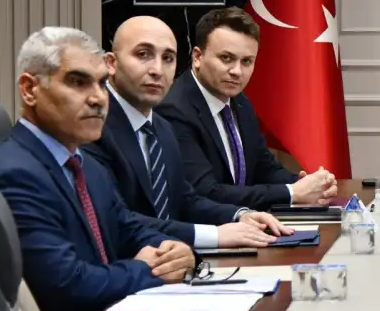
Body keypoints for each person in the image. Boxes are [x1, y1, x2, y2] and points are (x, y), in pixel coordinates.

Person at [0, 27, 194, 311]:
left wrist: (173, 251)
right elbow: (67, 287)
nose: (97, 98)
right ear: (30, 89)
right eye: (77, 82)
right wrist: (147, 270)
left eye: (102, 83)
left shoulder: (83, 162)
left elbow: (127, 227)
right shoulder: (15, 174)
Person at [85, 16, 290, 250]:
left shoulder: (161, 127)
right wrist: (215, 235)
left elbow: (184, 199)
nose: (157, 70)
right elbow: (117, 220)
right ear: (110, 63)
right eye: (143, 54)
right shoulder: (90, 127)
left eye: (168, 58)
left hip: (173, 260)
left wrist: (240, 215)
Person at [157, 7, 338, 211]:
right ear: (198, 57)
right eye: (226, 58)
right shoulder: (174, 111)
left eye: (246, 61)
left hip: (245, 221)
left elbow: (263, 167)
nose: (237, 71)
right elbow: (207, 193)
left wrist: (308, 184)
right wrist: (293, 192)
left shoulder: (239, 101)